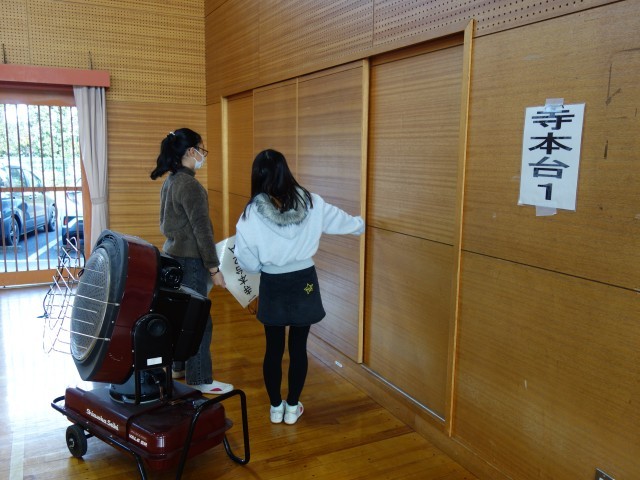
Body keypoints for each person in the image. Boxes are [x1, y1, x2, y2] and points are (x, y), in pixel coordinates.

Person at [234, 149, 365, 424]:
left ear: (257, 176)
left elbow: (246, 260)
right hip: (305, 282)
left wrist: (259, 268)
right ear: (286, 171)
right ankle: (292, 407)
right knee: (298, 347)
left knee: (273, 349)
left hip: (273, 283)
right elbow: (342, 222)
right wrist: (360, 225)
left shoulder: (251, 215)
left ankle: (275, 408)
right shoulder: (312, 202)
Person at [150, 128, 233, 395]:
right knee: (199, 322)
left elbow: (166, 223)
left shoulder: (171, 181)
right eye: (201, 149)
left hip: (171, 257)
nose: (203, 155)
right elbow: (202, 232)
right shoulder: (191, 186)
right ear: (190, 151)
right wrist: (214, 269)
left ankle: (179, 366)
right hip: (190, 262)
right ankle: (200, 378)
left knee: (180, 317)